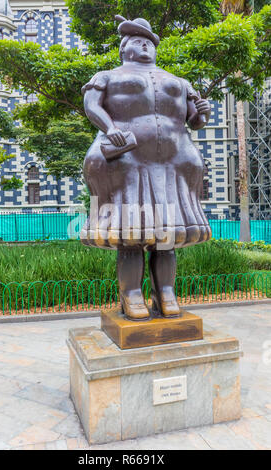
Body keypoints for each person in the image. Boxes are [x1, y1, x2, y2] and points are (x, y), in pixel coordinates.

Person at [80, 16, 212, 321]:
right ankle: (131, 295)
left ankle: (165, 292)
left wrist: (202, 113)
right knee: (131, 234)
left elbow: (194, 120)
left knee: (167, 235)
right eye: (137, 41)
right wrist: (110, 127)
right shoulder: (107, 76)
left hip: (173, 165)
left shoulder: (178, 81)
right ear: (124, 48)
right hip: (126, 163)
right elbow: (92, 105)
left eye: (148, 42)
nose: (144, 46)